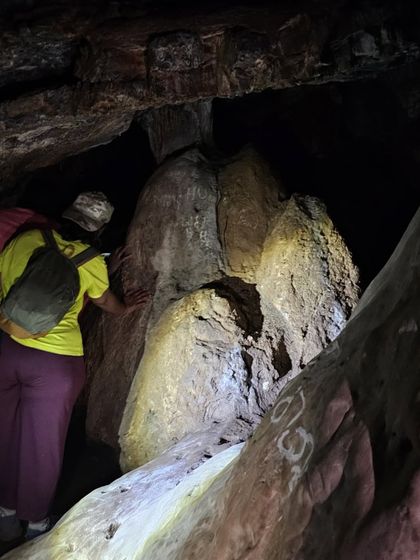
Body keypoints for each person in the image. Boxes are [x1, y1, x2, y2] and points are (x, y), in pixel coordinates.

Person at [0, 191, 148, 541]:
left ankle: (4, 516)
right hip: (56, 363)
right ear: (98, 230)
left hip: (7, 350)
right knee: (43, 442)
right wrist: (126, 308)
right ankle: (34, 522)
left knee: (5, 432)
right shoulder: (91, 260)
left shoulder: (25, 240)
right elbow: (105, 301)